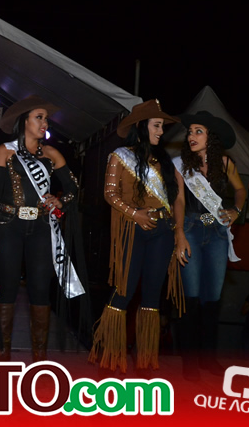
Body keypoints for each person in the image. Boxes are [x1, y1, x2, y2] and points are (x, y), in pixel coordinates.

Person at [0, 95, 85, 362]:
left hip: (41, 227)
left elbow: (73, 188)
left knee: (40, 289)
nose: (44, 123)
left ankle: (39, 358)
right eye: (39, 117)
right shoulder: (5, 151)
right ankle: (2, 356)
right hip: (8, 226)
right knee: (6, 288)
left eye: (46, 119)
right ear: (24, 121)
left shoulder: (51, 154)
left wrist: (61, 200)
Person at [89, 99, 181, 374]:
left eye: (162, 126)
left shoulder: (165, 161)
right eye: (156, 125)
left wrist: (178, 231)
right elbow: (110, 194)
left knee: (152, 297)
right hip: (132, 229)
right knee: (124, 291)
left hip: (163, 231)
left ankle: (145, 361)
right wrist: (135, 214)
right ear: (141, 126)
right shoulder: (120, 156)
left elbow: (176, 199)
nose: (161, 131)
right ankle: (109, 356)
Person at [172, 111, 246, 379]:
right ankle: (190, 363)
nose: (191, 136)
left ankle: (208, 358)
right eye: (190, 131)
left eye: (198, 131)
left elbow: (241, 190)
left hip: (217, 231)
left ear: (210, 137)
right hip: (190, 228)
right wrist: (179, 234)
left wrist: (236, 210)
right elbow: (179, 200)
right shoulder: (180, 164)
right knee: (191, 298)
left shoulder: (225, 163)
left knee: (212, 299)